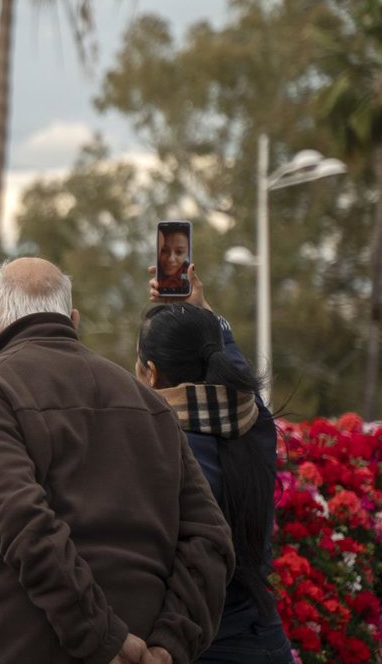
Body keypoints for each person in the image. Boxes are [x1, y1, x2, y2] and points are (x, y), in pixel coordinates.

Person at [0, 257, 234, 664]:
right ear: (73, 320)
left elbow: (20, 517)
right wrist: (169, 644)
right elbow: (210, 536)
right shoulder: (149, 402)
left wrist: (102, 638)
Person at [140, 264, 292, 663]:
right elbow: (235, 374)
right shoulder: (255, 423)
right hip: (265, 638)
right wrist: (206, 311)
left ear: (151, 374)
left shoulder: (162, 448)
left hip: (202, 645)